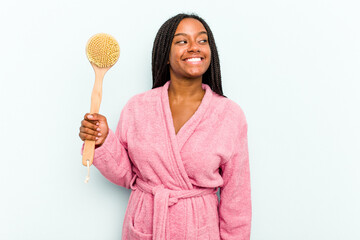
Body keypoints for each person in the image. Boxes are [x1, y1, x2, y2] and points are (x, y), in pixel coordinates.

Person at [79, 13, 251, 240]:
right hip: (145, 226)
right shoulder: (137, 107)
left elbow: (236, 199)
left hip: (199, 230)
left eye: (202, 41)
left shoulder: (230, 115)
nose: (194, 47)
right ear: (166, 55)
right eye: (182, 41)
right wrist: (101, 140)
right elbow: (126, 175)